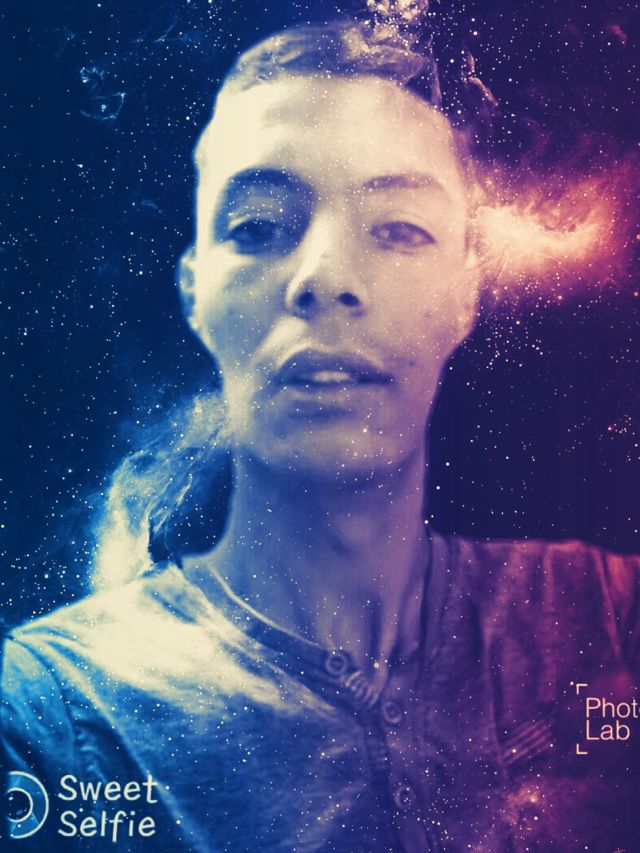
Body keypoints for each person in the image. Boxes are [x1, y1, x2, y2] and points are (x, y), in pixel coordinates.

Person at [2, 19, 639, 853]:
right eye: (258, 228)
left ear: (466, 291)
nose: (326, 277)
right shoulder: (52, 714)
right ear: (195, 289)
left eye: (400, 228)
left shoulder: (608, 613)